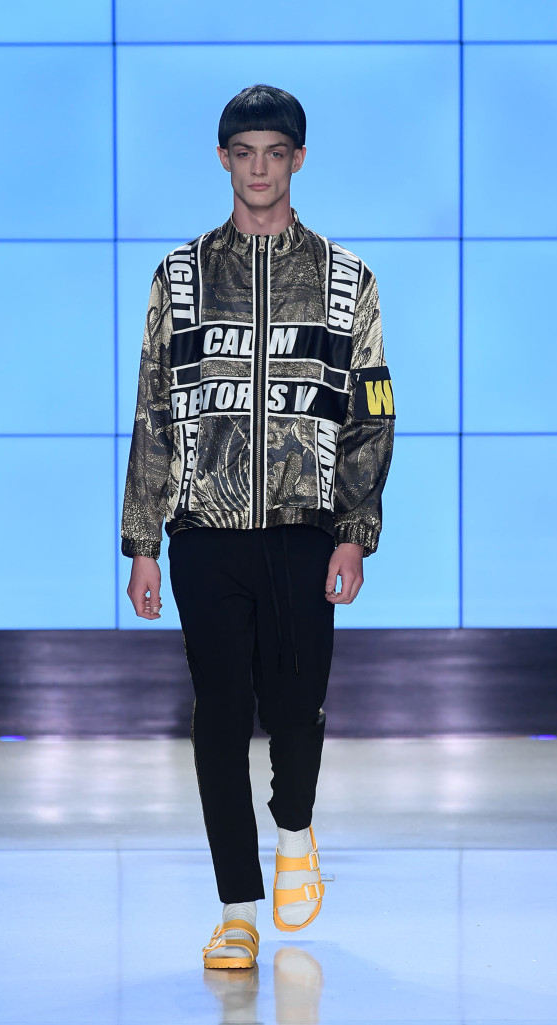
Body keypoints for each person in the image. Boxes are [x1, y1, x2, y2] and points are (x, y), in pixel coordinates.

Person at [121, 84, 395, 969]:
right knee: (218, 718)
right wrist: (142, 541)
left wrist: (354, 528)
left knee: (295, 708)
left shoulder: (348, 281)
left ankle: (294, 824)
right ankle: (236, 906)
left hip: (303, 526)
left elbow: (372, 412)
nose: (259, 168)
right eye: (244, 153)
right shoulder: (180, 277)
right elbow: (152, 413)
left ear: (297, 160)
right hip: (204, 529)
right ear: (223, 160)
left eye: (275, 153)